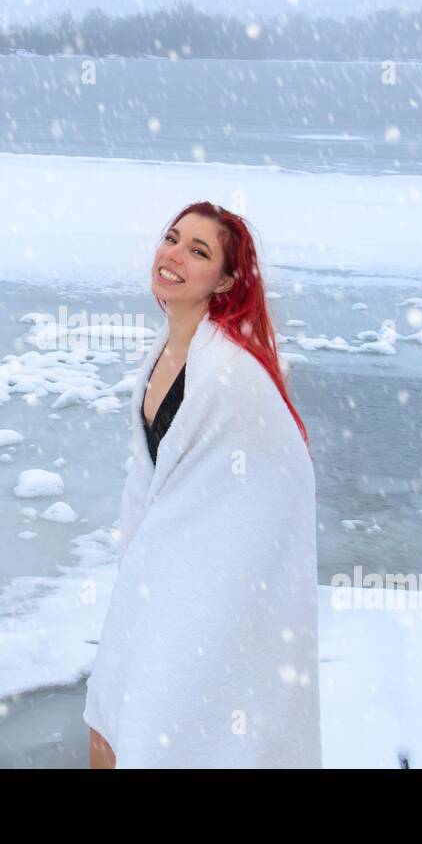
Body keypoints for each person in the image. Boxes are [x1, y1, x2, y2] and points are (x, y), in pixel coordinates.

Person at [83, 200, 319, 768]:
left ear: (227, 281)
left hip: (204, 600)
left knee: (167, 733)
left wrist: (215, 590)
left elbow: (283, 486)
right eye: (172, 238)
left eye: (199, 251)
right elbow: (155, 480)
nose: (174, 256)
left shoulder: (234, 377)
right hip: (150, 581)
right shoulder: (163, 352)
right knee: (107, 722)